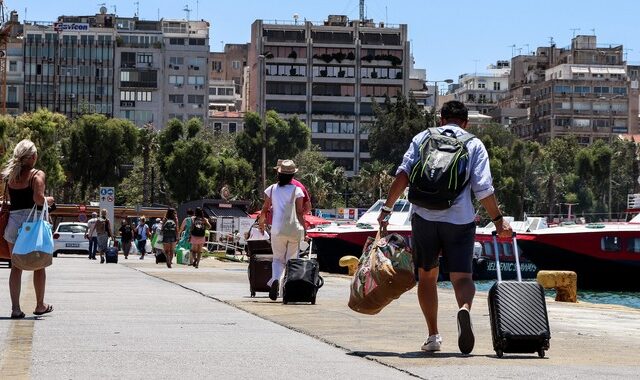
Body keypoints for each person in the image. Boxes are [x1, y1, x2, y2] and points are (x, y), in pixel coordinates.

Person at [377, 101, 513, 354]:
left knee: (427, 276)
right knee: (462, 277)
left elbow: (403, 174)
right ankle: (464, 309)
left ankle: (433, 336)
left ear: (441, 120)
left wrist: (387, 209)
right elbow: (483, 188)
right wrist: (498, 220)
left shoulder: (422, 137)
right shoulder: (474, 144)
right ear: (466, 123)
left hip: (424, 217)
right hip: (459, 220)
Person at [1, 139, 55, 318]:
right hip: (33, 226)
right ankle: (40, 305)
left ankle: (15, 309)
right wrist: (50, 200)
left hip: (13, 223)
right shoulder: (37, 175)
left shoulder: (10, 175)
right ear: (33, 156)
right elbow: (39, 200)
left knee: (16, 266)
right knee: (39, 265)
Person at [258, 159, 306, 301]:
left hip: (277, 229)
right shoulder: (297, 190)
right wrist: (305, 229)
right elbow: (299, 212)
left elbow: (265, 209)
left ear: (279, 174)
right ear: (292, 176)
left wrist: (262, 223)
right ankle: (287, 290)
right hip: (294, 230)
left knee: (278, 259)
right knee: (292, 261)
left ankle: (275, 281)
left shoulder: (271, 189)